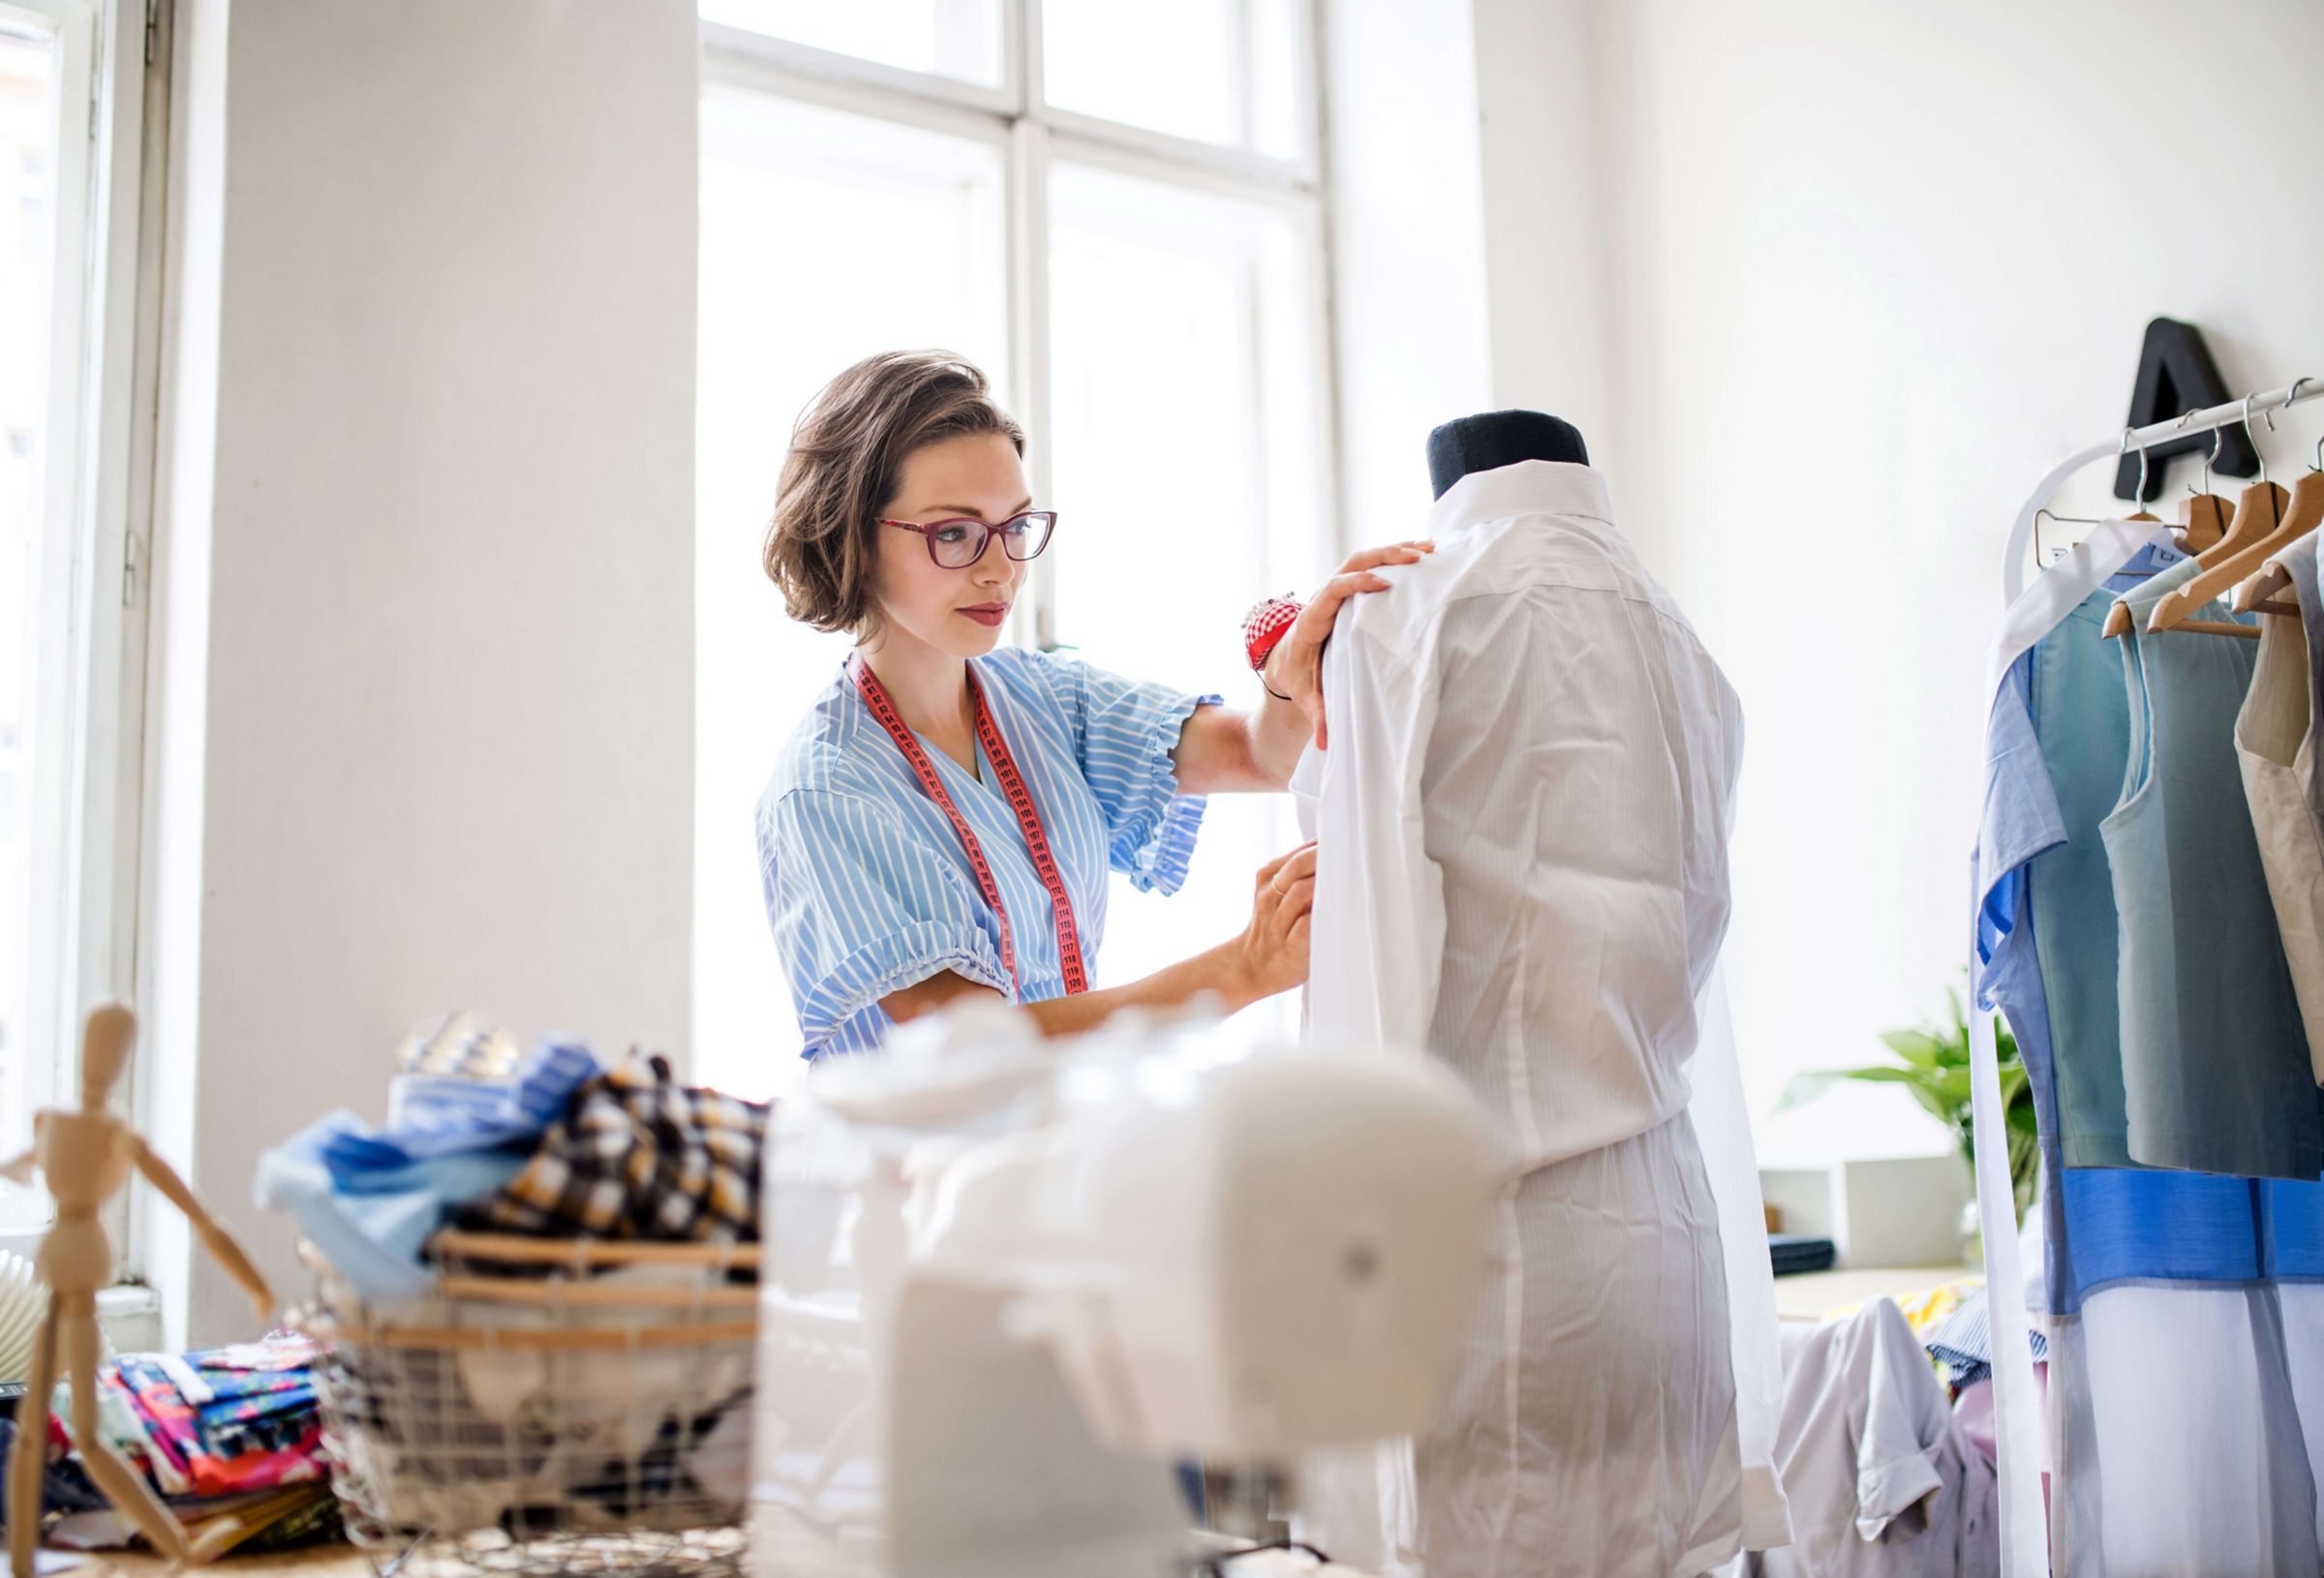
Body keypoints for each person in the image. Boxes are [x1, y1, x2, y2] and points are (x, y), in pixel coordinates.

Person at [755, 349, 1429, 1057]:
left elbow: (1260, 753)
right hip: (918, 1169)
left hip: (1053, 1145)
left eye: (1015, 527)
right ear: (853, 537)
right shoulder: (826, 789)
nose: (1000, 569)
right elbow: (972, 1052)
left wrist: (1293, 674)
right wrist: (1245, 967)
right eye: (953, 533)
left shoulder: (1045, 699)